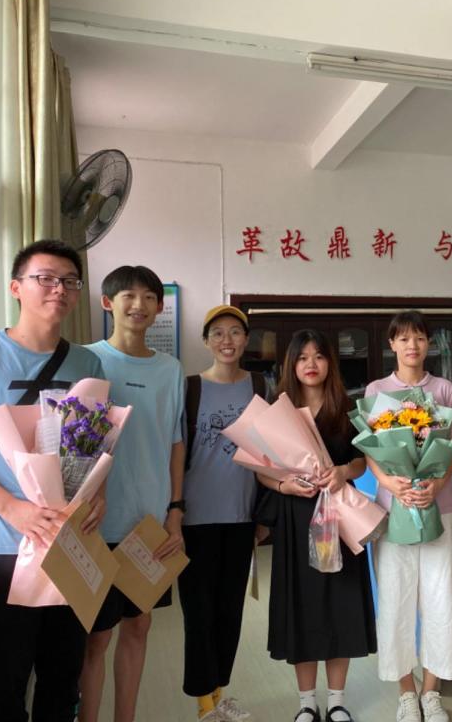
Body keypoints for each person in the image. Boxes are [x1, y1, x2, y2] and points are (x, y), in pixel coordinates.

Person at [0, 238, 105, 721]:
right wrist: (12, 508)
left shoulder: (88, 364)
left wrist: (97, 498)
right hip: (2, 546)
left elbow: (94, 449)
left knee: (63, 676)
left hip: (68, 543)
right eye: (45, 278)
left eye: (69, 281)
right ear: (16, 287)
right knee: (4, 678)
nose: (59, 288)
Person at [79, 265, 186, 722]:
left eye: (149, 297)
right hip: (95, 523)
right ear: (108, 303)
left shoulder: (171, 369)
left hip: (149, 522)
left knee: (139, 627)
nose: (139, 305)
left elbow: (176, 443)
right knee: (96, 637)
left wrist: (174, 510)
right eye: (128, 295)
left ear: (159, 307)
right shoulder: (87, 360)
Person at [256, 329, 376, 722]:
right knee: (302, 606)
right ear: (291, 364)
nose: (311, 364)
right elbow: (260, 469)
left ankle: (337, 700)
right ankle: (307, 702)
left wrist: (343, 472)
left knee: (341, 603)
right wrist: (283, 485)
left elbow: (362, 461)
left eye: (319, 356)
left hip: (339, 515)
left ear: (330, 363)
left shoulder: (347, 406)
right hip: (297, 516)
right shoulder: (279, 409)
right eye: (303, 357)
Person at [364, 311, 452, 722]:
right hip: (394, 509)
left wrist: (436, 485)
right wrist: (390, 482)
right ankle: (406, 692)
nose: (412, 346)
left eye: (419, 338)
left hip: (440, 506)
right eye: (403, 338)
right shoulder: (377, 390)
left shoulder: (444, 388)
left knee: (441, 599)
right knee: (395, 599)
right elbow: (371, 450)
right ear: (392, 344)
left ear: (429, 343)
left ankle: (432, 691)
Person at [178, 305, 263, 722]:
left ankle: (219, 693)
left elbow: (271, 449)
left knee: (230, 612)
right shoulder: (190, 387)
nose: (227, 340)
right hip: (195, 519)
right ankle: (203, 705)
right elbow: (176, 452)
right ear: (206, 341)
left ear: (245, 340)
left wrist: (263, 514)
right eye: (218, 333)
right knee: (199, 614)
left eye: (235, 332)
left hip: (241, 516)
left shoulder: (259, 386)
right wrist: (173, 511)